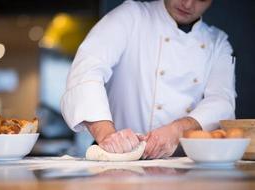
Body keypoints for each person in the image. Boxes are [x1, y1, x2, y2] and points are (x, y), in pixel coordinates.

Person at [61, 0, 236, 159]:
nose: (188, 4)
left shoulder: (217, 43)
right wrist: (107, 135)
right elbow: (87, 69)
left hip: (180, 165)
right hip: (116, 160)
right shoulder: (131, 16)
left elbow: (221, 101)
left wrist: (177, 130)